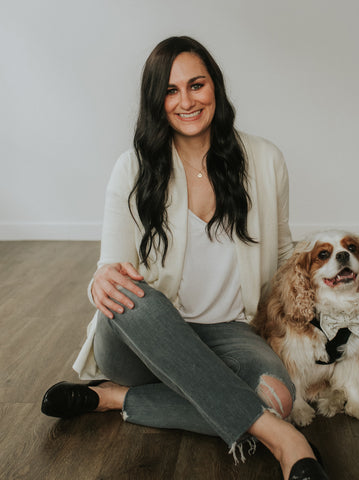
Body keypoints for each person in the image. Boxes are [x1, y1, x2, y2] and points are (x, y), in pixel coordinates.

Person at [41, 36, 329, 480]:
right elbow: (111, 266)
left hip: (230, 331)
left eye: (196, 85)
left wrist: (323, 307)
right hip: (143, 338)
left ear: (215, 87)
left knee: (279, 398)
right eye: (171, 91)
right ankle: (283, 440)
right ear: (156, 101)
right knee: (130, 292)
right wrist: (99, 278)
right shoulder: (132, 168)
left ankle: (114, 399)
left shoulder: (266, 160)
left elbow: (283, 254)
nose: (186, 101)